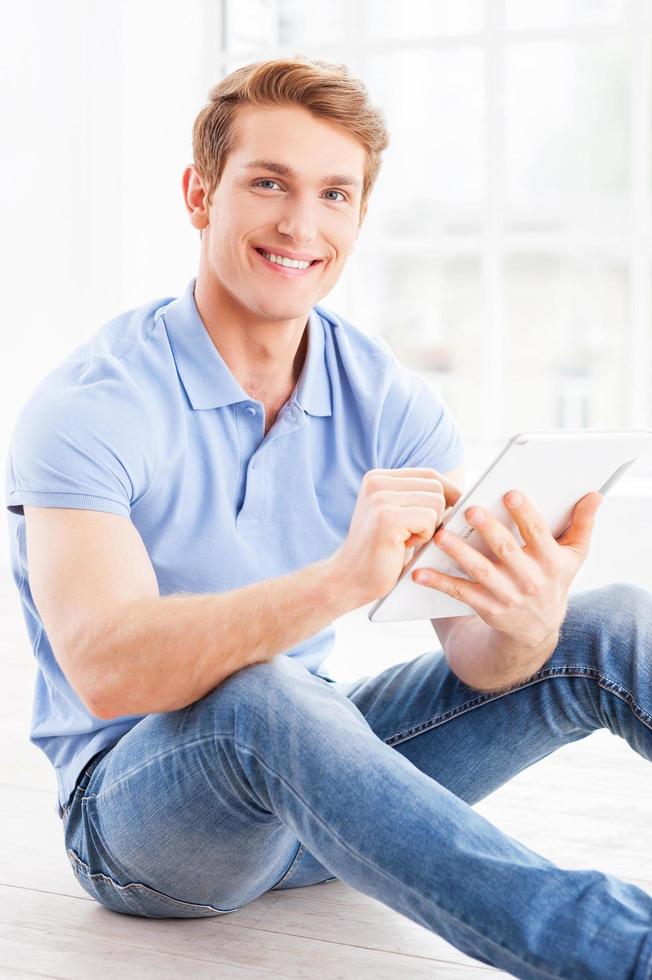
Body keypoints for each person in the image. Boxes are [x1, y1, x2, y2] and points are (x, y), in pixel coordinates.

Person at [5, 56, 652, 979]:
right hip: (145, 828)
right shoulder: (91, 407)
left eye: (334, 194)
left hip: (323, 787)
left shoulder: (390, 401)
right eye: (268, 183)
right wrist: (341, 581)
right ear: (200, 195)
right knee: (263, 695)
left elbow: (482, 660)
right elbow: (108, 670)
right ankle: (622, 954)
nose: (300, 225)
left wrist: (527, 619)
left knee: (609, 623)